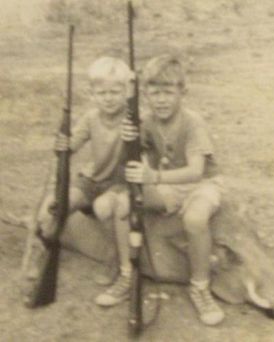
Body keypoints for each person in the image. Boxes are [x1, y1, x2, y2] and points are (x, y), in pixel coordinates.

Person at [122, 54, 225, 326]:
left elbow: (196, 171)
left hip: (200, 184)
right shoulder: (146, 123)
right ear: (144, 94)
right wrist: (127, 140)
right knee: (128, 201)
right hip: (168, 185)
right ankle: (124, 270)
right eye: (153, 93)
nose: (161, 99)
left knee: (194, 219)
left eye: (168, 92)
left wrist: (152, 175)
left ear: (183, 92)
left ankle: (200, 286)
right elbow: (135, 157)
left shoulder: (193, 123)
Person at [22, 56, 134, 305]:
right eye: (102, 92)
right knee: (55, 206)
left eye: (115, 91)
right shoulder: (91, 117)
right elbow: (70, 146)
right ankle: (41, 257)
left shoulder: (133, 118)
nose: (108, 98)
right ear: (92, 93)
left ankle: (114, 259)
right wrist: (63, 144)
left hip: (118, 182)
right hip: (91, 180)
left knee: (105, 209)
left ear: (127, 91)